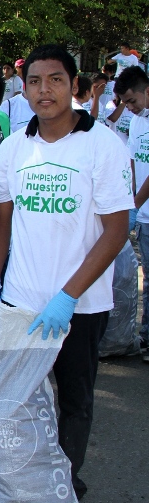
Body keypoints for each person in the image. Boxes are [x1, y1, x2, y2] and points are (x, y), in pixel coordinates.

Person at [0, 44, 133, 500]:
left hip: (80, 307)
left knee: (75, 400)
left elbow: (116, 230)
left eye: (56, 80)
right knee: (18, 398)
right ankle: (24, 480)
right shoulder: (13, 147)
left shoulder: (103, 144)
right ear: (22, 88)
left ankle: (64, 485)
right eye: (34, 82)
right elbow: (1, 220)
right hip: (21, 302)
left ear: (75, 85)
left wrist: (68, 296)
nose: (44, 91)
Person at [114, 66, 149, 360]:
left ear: (146, 90)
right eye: (125, 102)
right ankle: (146, 335)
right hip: (144, 213)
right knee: (146, 278)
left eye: (132, 100)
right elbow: (134, 163)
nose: (129, 107)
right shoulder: (137, 122)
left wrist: (135, 203)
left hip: (143, 207)